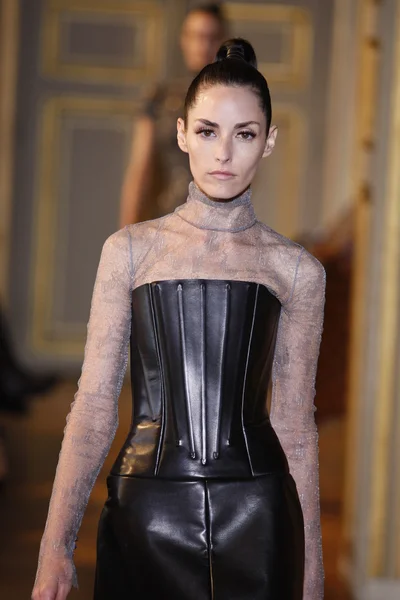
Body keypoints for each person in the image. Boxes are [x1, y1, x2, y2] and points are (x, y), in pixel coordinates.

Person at [32, 38, 325, 600]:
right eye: (209, 131)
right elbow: (93, 406)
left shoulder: (295, 269)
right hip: (146, 514)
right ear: (181, 133)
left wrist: (311, 577)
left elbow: (296, 428)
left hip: (260, 518)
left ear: (269, 142)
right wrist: (55, 549)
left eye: (245, 134)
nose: (224, 153)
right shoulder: (130, 250)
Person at [119, 3, 227, 227]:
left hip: (219, 223)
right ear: (183, 39)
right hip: (166, 220)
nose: (203, 45)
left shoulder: (235, 101)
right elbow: (141, 169)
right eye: (196, 36)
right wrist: (127, 234)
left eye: (211, 37)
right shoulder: (160, 98)